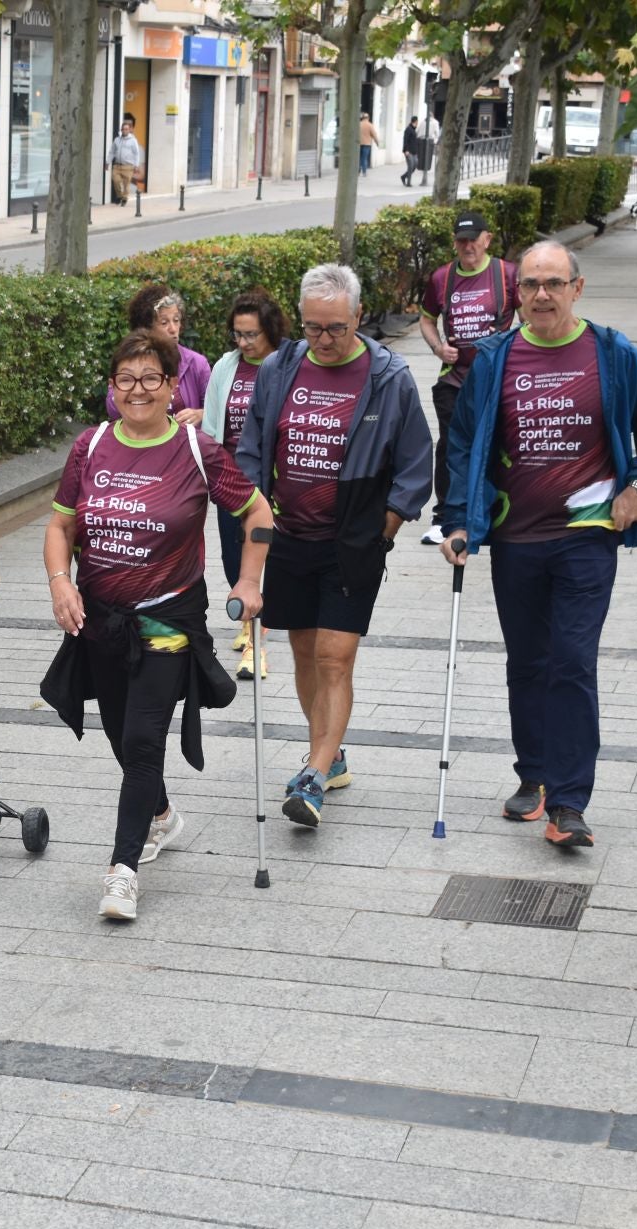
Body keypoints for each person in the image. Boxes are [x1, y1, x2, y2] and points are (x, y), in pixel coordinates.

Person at [440, 240, 637, 850]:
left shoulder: (613, 353)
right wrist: (459, 521)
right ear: (517, 294)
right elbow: (463, 443)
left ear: (578, 287)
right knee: (528, 662)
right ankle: (535, 775)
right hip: (516, 538)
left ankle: (569, 803)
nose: (541, 295)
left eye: (553, 284)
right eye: (530, 285)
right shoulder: (494, 358)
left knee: (572, 661)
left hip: (586, 539)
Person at [42, 331, 270, 922]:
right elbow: (60, 526)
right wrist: (60, 581)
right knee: (120, 736)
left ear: (172, 385)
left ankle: (122, 872)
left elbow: (257, 512)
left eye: (150, 378)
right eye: (125, 378)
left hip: (168, 618)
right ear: (112, 386)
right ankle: (161, 814)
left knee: (143, 740)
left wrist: (248, 582)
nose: (137, 389)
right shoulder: (89, 447)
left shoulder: (198, 450)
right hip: (101, 620)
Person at [237, 264, 433, 828]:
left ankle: (314, 774)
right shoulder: (280, 367)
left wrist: (386, 530)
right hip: (290, 535)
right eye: (313, 328)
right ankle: (330, 748)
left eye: (336, 329)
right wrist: (255, 505)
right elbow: (252, 444)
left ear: (358, 317)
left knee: (334, 655)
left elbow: (417, 463)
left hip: (353, 542)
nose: (324, 340)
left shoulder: (388, 377)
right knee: (302, 651)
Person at [204, 288, 295, 678]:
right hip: (231, 481)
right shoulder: (225, 366)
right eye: (237, 334)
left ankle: (255, 648)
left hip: (274, 484)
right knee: (231, 558)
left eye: (250, 335)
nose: (242, 342)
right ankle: (248, 622)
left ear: (270, 331)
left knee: (263, 558)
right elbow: (211, 428)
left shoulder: (288, 365)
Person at [418, 211, 519, 545]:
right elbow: (427, 319)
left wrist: (512, 343)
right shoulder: (442, 279)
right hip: (455, 380)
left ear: (486, 239)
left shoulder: (506, 274)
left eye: (473, 239)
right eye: (461, 240)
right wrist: (438, 348)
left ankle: (497, 511)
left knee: (498, 445)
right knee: (450, 446)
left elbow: (532, 313)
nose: (467, 246)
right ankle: (444, 517)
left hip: (496, 379)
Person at [108, 286, 209, 429]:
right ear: (146, 328)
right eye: (164, 322)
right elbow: (113, 410)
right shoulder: (128, 360)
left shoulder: (197, 363)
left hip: (184, 446)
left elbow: (217, 411)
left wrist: (201, 414)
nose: (173, 329)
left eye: (176, 320)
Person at [108, 115, 144, 205]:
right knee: (115, 180)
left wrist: (136, 165)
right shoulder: (117, 140)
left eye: (127, 129)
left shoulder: (133, 141)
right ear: (121, 130)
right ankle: (120, 196)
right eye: (123, 129)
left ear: (129, 130)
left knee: (126, 184)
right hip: (117, 165)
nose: (125, 131)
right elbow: (112, 151)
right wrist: (107, 162)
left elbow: (136, 153)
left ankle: (124, 198)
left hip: (128, 166)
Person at [402, 116, 420, 186]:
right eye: (417, 122)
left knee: (414, 165)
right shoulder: (408, 129)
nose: (417, 123)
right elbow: (405, 140)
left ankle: (403, 176)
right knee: (410, 166)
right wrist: (405, 150)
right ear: (415, 121)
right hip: (408, 151)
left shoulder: (413, 129)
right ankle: (408, 183)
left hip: (414, 152)